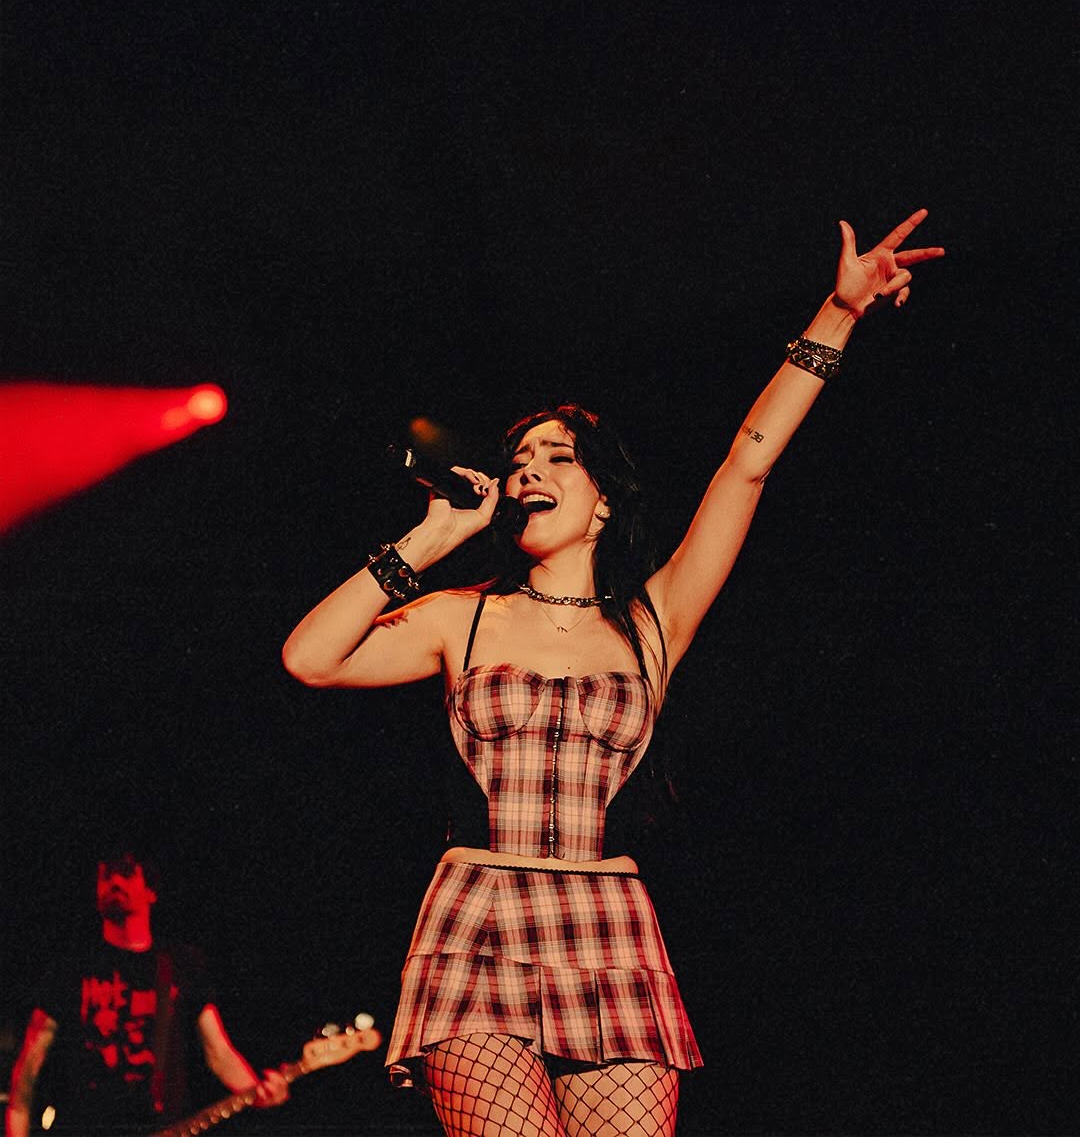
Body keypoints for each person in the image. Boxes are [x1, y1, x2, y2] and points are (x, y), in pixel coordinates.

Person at [282, 210, 944, 1137]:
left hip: (609, 924)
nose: (530, 471)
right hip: (479, 918)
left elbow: (745, 468)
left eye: (559, 457)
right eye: (520, 460)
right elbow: (310, 658)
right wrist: (431, 539)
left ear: (601, 502)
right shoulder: (461, 617)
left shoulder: (651, 622)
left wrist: (838, 313)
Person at [5, 848, 290, 1136]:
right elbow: (28, 1070)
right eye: (106, 876)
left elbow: (219, 1053)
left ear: (151, 892)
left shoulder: (181, 965)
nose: (114, 882)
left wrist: (258, 1090)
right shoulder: (70, 970)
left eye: (126, 874)